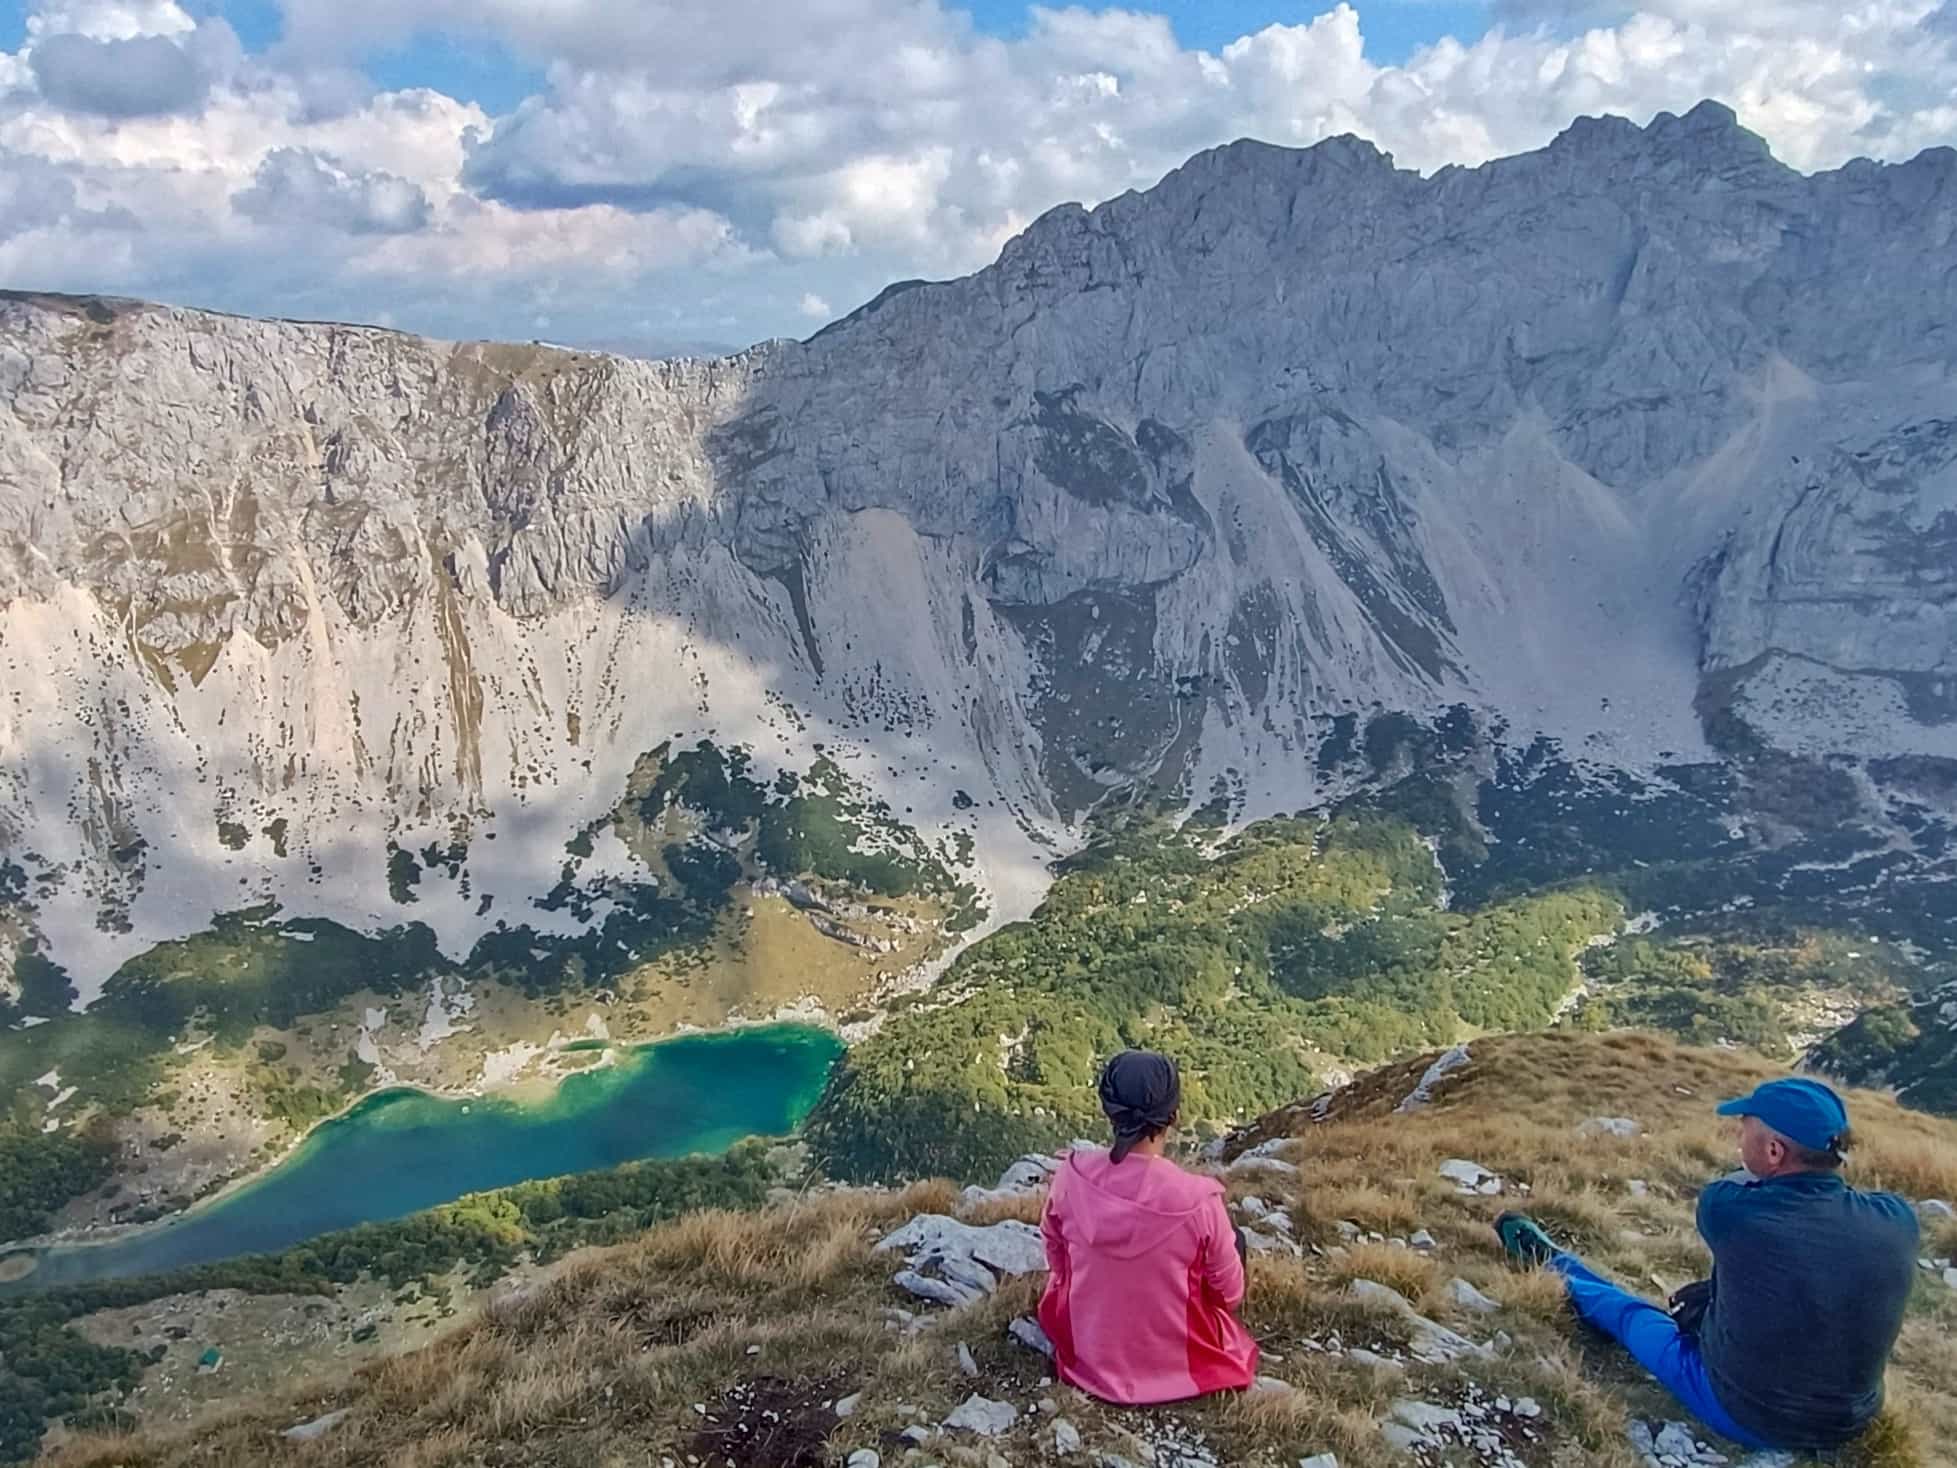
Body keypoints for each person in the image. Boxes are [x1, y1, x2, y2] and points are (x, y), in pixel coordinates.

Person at [1496, 1077, 1919, 1453]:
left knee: (1633, 1317)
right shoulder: (1899, 1219)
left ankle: (1552, 1262)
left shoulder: (1729, 1210)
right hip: (1851, 1421)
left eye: (1744, 1130)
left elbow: (1743, 1192)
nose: (1738, 1138)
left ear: (1774, 1151)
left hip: (1751, 1415)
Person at [1037, 1049, 1259, 1404]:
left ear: (1109, 1111)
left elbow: (1057, 1261)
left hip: (1090, 1352)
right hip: (1177, 1363)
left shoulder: (1071, 1176)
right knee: (1237, 1241)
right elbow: (1229, 1294)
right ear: (1174, 1116)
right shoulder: (1200, 1201)